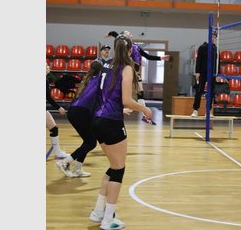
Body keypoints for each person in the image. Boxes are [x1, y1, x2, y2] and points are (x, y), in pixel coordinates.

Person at [89, 34, 152, 230]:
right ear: (130, 50)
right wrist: (144, 109)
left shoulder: (106, 64)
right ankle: (108, 219)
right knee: (118, 169)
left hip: (97, 119)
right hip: (111, 121)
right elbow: (126, 100)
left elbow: (103, 93)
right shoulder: (127, 68)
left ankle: (98, 212)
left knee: (113, 167)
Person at [106, 30, 169, 125]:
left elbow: (147, 56)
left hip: (135, 72)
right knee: (119, 93)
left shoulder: (136, 47)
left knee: (140, 94)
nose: (130, 34)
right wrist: (111, 34)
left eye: (130, 34)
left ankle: (145, 116)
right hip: (126, 70)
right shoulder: (123, 45)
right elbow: (116, 34)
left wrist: (160, 58)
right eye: (128, 33)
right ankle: (111, 111)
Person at [55, 60, 103, 178]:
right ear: (101, 71)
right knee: (91, 142)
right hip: (80, 112)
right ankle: (64, 162)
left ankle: (77, 169)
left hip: (75, 111)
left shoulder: (88, 80)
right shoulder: (99, 81)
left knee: (88, 141)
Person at [192, 30, 219, 117]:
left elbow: (217, 62)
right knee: (199, 91)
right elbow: (198, 60)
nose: (213, 39)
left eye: (215, 37)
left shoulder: (215, 48)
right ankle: (195, 110)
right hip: (202, 72)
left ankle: (208, 111)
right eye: (212, 37)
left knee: (211, 92)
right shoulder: (202, 47)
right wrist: (197, 72)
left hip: (212, 74)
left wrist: (217, 73)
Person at [46, 64, 68, 159]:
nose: (48, 67)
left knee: (54, 129)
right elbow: (48, 98)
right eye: (46, 66)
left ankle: (58, 153)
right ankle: (58, 153)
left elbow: (47, 98)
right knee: (53, 129)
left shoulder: (46, 80)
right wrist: (58, 107)